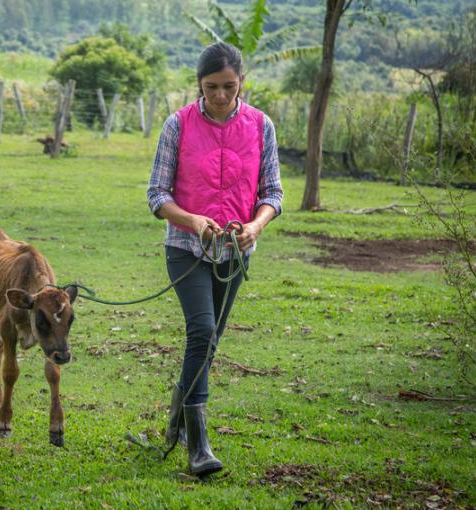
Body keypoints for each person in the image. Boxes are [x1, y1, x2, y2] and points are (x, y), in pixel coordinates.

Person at [147, 41, 283, 477]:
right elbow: (157, 195)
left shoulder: (262, 126)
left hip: (235, 254)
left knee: (209, 344)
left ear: (242, 81)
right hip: (185, 250)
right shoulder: (177, 125)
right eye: (211, 87)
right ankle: (198, 447)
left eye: (228, 86)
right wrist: (193, 221)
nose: (220, 95)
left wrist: (256, 226)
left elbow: (273, 195)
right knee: (202, 332)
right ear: (199, 85)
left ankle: (176, 424)